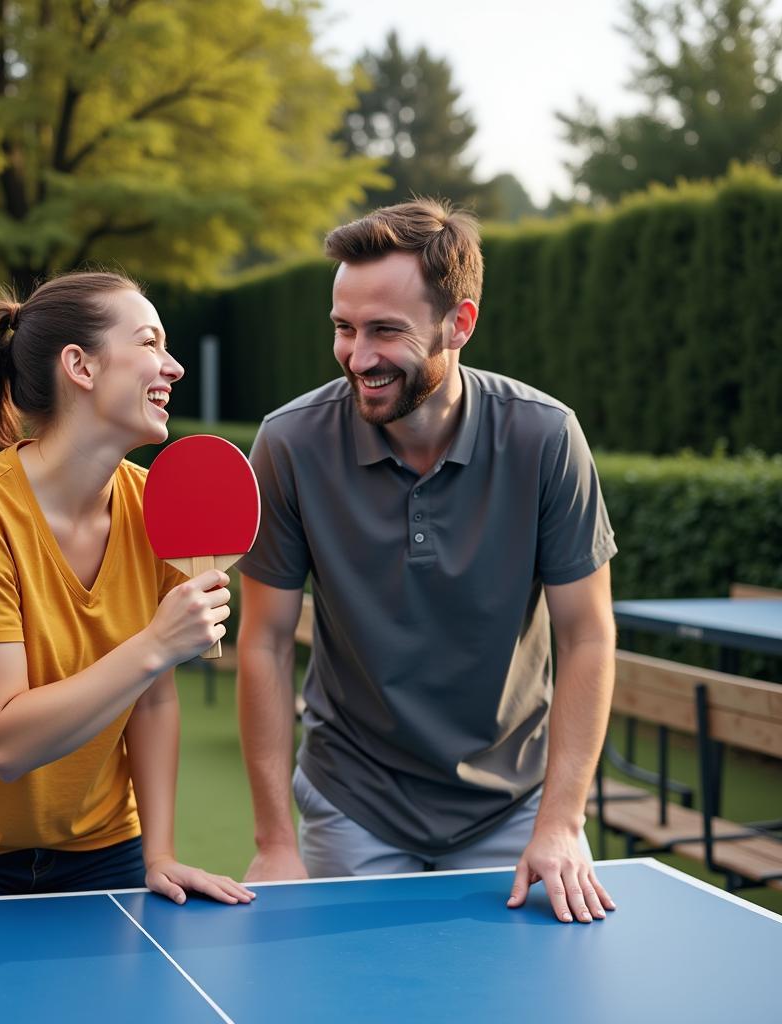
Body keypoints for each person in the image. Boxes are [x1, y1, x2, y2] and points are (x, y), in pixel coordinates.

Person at [236, 199, 618, 924]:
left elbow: (587, 636)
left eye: (386, 331)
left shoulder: (546, 439)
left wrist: (563, 820)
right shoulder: (288, 445)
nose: (359, 355)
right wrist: (273, 838)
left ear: (460, 324)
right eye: (344, 329)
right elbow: (263, 642)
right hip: (354, 803)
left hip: (513, 807)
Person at [0, 270, 254, 908]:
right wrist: (157, 643)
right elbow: (4, 741)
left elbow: (152, 701)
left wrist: (158, 850)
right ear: (79, 365)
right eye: (150, 343)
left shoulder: (156, 504)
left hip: (103, 850)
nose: (174, 366)